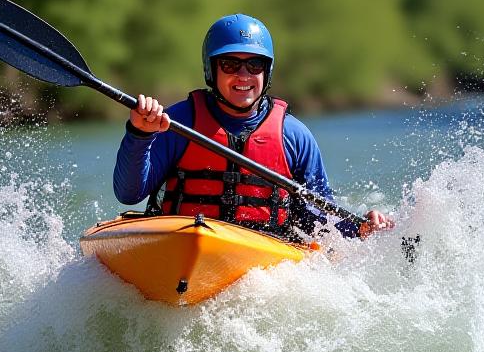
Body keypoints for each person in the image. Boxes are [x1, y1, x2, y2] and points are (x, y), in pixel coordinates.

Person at [113, 13, 393, 239]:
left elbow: (320, 221)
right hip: (181, 242)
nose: (243, 75)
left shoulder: (294, 136)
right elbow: (128, 194)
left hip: (259, 258)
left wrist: (360, 227)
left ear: (267, 71)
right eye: (230, 64)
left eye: (255, 65)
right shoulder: (178, 123)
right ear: (212, 70)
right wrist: (140, 133)